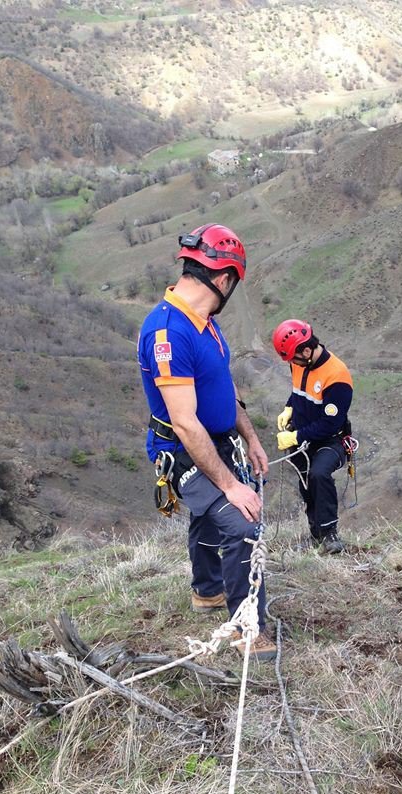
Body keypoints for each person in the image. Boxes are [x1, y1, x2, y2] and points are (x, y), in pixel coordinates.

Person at [137, 223, 276, 661]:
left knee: (207, 515)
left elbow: (221, 385)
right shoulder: (169, 333)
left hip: (216, 440)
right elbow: (185, 424)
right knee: (240, 522)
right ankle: (247, 627)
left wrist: (249, 436)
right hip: (182, 451)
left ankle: (207, 590)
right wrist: (232, 486)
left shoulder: (207, 324)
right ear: (224, 279)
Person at [272, 319, 353, 554]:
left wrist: (295, 437)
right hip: (304, 436)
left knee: (319, 474)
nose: (291, 363)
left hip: (331, 439)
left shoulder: (337, 376)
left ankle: (330, 536)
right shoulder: (299, 362)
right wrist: (289, 408)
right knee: (306, 483)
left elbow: (330, 424)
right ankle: (316, 534)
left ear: (306, 350)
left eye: (292, 358)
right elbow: (298, 391)